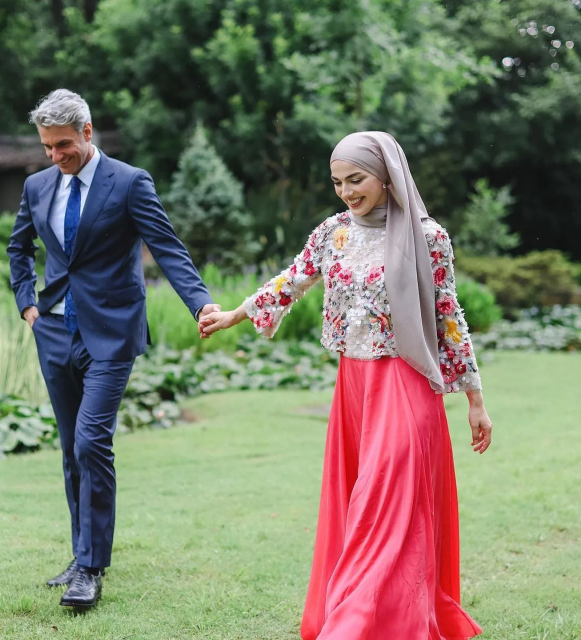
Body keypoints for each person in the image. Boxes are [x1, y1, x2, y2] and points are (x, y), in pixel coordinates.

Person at [198, 131, 492, 639]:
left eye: (356, 180)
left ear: (386, 176)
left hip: (405, 384)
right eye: (337, 182)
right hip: (354, 386)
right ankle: (367, 614)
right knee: (359, 504)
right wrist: (235, 315)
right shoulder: (333, 232)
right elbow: (293, 279)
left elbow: (449, 319)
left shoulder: (427, 237)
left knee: (388, 504)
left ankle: (357, 625)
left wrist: (475, 401)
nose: (346, 192)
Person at [7, 89, 219, 608]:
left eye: (63, 145)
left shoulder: (128, 182)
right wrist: (27, 304)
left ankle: (92, 570)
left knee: (90, 442)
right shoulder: (37, 185)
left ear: (87, 130)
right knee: (69, 449)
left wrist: (200, 305)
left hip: (111, 333)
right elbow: (19, 247)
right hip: (54, 331)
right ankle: (81, 554)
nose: (55, 156)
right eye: (47, 148)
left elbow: (166, 246)